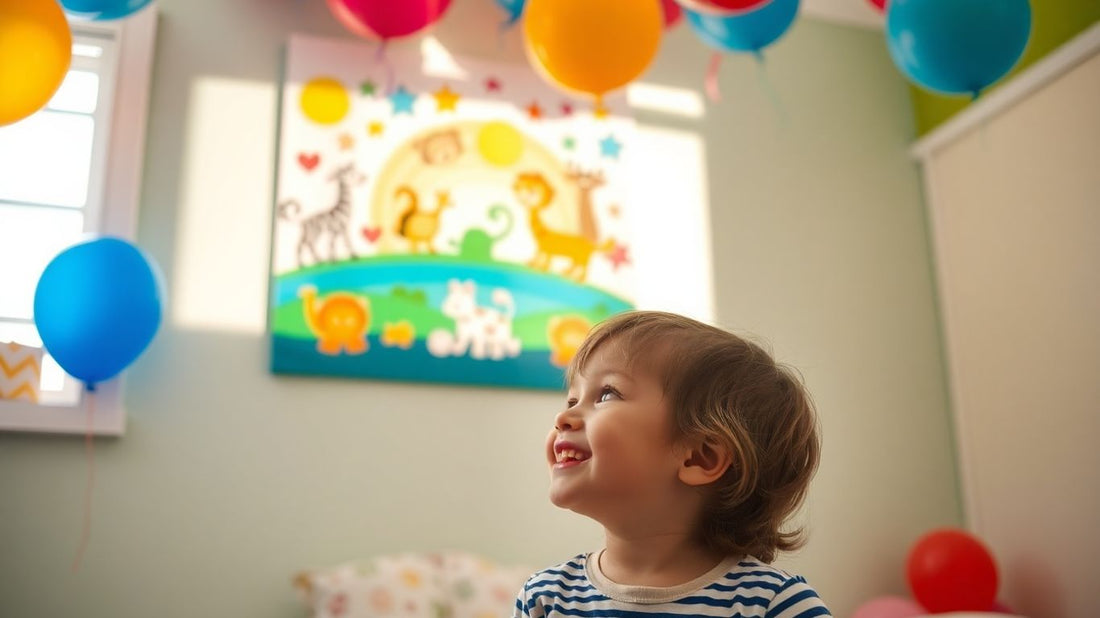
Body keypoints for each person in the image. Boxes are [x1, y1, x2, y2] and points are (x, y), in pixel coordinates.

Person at [514, 311, 831, 617]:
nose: (563, 417)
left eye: (607, 394)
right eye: (572, 400)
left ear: (699, 457)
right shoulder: (544, 597)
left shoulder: (774, 604)